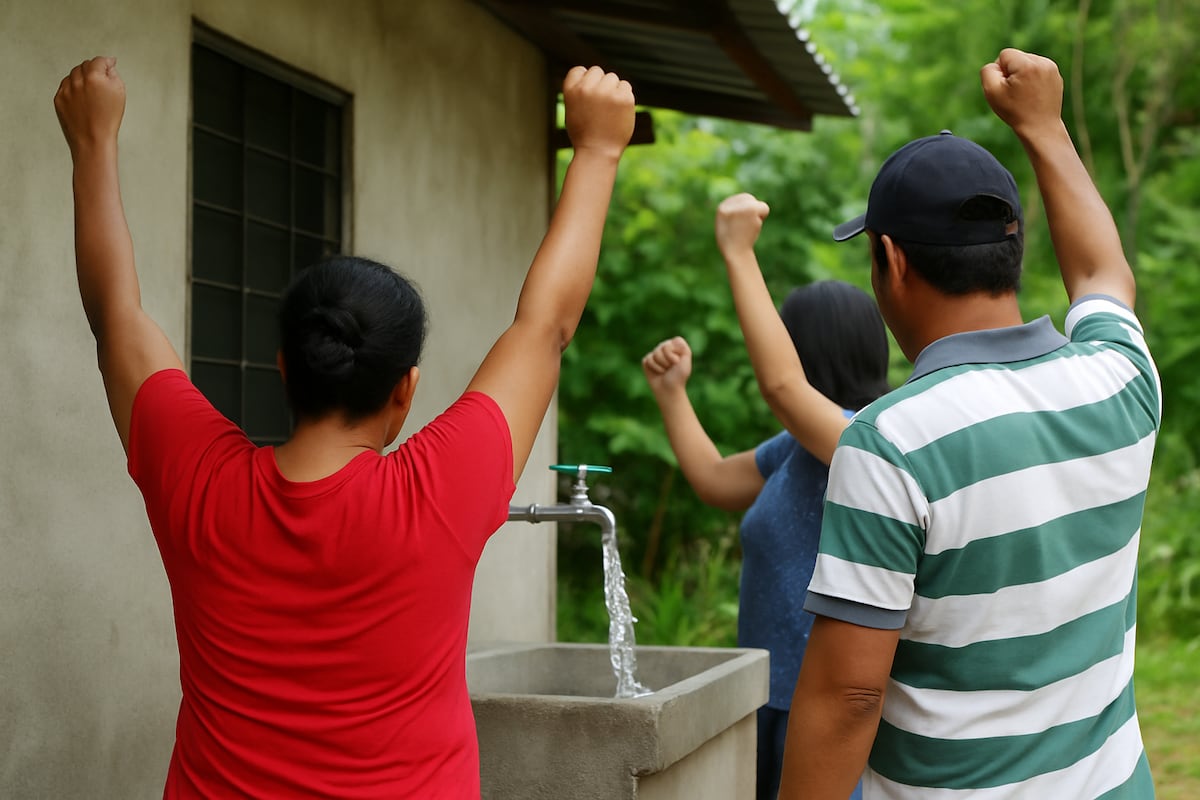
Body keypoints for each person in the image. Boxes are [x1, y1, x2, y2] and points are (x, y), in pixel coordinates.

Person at [54, 56, 634, 798]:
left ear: (282, 369)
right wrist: (598, 149)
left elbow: (116, 319)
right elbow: (546, 326)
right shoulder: (437, 492)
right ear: (405, 390)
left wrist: (93, 143)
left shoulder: (200, 482)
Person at [778, 48, 1159, 799]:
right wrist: (1044, 127)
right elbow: (1104, 274)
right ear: (1013, 249)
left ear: (889, 260)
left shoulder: (890, 444)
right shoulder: (1120, 379)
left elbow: (850, 697)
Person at [642, 194, 889, 800]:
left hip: (825, 713)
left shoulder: (863, 440)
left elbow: (781, 388)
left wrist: (738, 254)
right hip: (769, 700)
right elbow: (715, 481)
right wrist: (673, 394)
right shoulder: (797, 448)